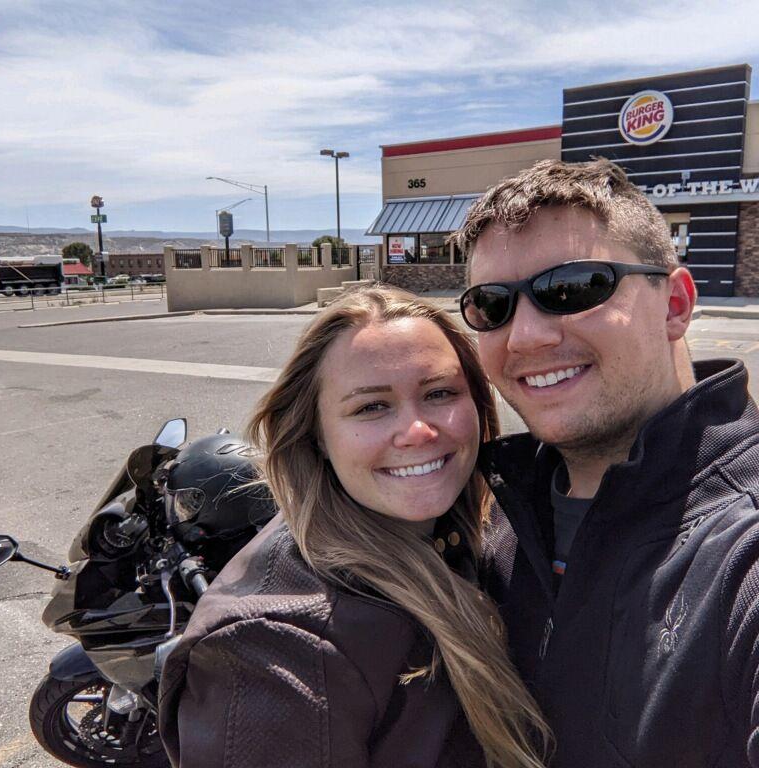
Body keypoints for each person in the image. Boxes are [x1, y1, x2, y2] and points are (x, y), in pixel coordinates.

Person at [158, 286, 550, 768]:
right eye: (371, 407)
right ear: (317, 436)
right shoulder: (271, 654)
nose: (418, 431)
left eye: (440, 393)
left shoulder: (471, 533)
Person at [451, 157, 759, 768]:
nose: (526, 337)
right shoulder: (485, 510)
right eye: (492, 305)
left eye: (573, 288)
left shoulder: (741, 549)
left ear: (674, 303)